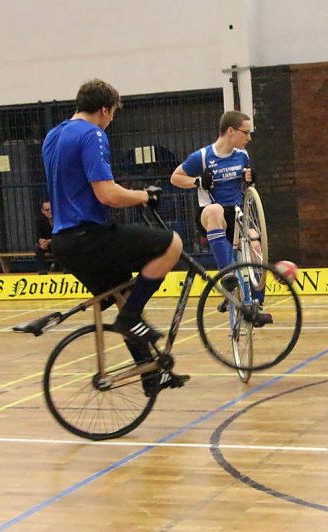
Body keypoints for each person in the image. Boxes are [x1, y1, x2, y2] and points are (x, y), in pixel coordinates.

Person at [42, 78, 187, 385]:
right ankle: (129, 319)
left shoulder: (53, 136)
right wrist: (143, 196)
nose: (110, 123)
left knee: (124, 293)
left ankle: (150, 373)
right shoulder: (91, 134)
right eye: (112, 116)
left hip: (64, 242)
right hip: (87, 237)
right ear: (105, 110)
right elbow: (107, 194)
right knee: (171, 244)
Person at [170, 110, 271, 326]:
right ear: (231, 132)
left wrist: (250, 178)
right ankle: (227, 276)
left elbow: (248, 186)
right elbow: (175, 178)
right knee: (215, 210)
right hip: (211, 213)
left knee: (255, 242)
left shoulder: (242, 155)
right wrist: (198, 181)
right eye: (246, 132)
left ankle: (255, 305)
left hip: (236, 213)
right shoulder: (203, 157)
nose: (249, 138)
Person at [35, 200, 54, 274]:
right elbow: (38, 234)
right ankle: (42, 271)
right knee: (37, 247)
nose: (49, 211)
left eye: (51, 209)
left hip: (57, 243)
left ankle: (65, 269)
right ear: (43, 211)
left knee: (63, 245)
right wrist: (41, 241)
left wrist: (50, 241)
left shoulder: (59, 219)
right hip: (47, 245)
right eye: (47, 210)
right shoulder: (40, 220)